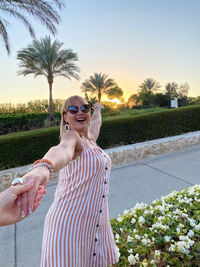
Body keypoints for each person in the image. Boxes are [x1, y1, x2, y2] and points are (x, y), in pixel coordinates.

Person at [19, 95, 119, 267]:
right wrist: (41, 169)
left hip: (92, 223)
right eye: (73, 109)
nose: (80, 112)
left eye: (84, 108)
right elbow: (61, 151)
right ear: (65, 116)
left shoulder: (90, 139)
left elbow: (96, 123)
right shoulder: (72, 138)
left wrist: (98, 109)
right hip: (68, 225)